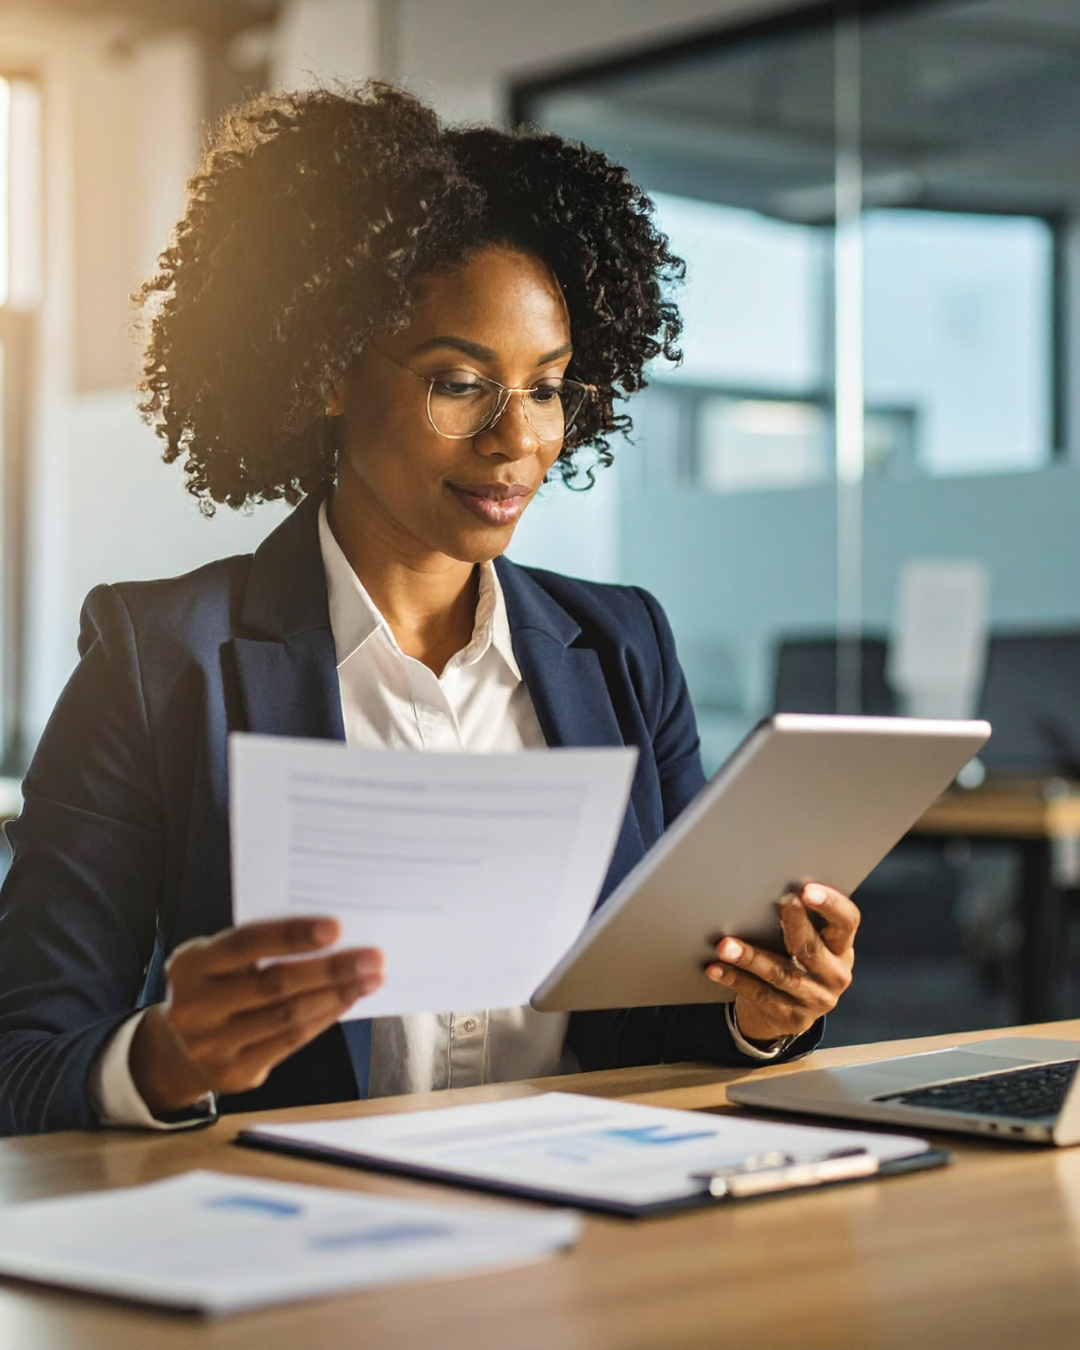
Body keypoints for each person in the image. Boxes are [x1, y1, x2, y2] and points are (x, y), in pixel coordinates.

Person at [0, 84, 859, 1135]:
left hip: (588, 1233)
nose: (516, 440)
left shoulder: (623, 648)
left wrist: (758, 1014)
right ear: (328, 370)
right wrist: (165, 1059)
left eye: (547, 388)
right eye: (461, 382)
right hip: (303, 1243)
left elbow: (657, 1032)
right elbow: (22, 1060)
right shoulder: (158, 659)